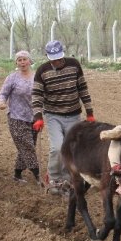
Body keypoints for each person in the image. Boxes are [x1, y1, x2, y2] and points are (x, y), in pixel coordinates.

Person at [32, 40, 95, 195]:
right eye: (53, 59)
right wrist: (38, 117)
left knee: (71, 149)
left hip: (74, 114)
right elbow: (37, 95)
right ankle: (53, 178)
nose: (57, 61)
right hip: (53, 115)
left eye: (59, 58)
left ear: (63, 54)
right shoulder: (42, 71)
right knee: (57, 147)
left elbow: (83, 89)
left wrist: (90, 113)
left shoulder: (74, 65)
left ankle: (68, 179)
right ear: (48, 56)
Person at [0, 50, 40, 184]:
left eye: (24, 59)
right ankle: (38, 177)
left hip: (33, 118)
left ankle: (17, 174)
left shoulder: (37, 77)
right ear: (16, 62)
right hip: (16, 117)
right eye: (19, 60)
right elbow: (3, 94)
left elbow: (42, 96)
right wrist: (2, 103)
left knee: (26, 147)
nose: (22, 62)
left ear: (30, 61)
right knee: (28, 146)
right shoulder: (12, 78)